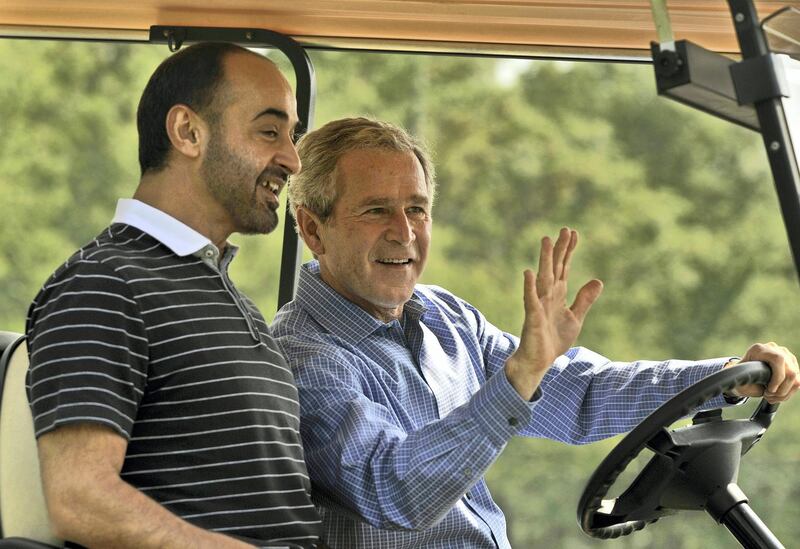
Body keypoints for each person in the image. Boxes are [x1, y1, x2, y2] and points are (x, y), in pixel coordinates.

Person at [270, 117, 800, 548]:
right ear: (313, 229)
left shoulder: (444, 317)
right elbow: (395, 490)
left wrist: (724, 377)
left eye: (417, 209)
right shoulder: (302, 356)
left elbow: (580, 394)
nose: (404, 233)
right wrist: (522, 373)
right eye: (375, 210)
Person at [25, 42, 324, 548]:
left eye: (291, 136)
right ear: (188, 132)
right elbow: (80, 499)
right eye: (269, 131)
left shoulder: (225, 294)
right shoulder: (103, 283)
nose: (292, 160)